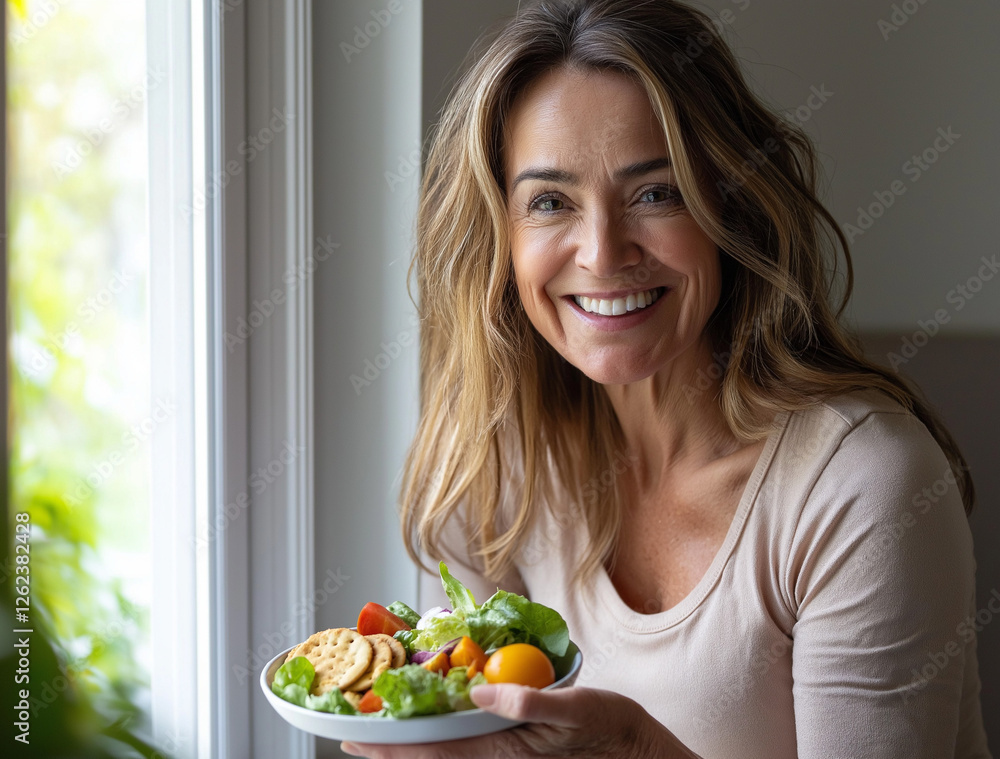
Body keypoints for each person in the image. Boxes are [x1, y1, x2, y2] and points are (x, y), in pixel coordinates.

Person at [341, 0, 990, 756]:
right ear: (502, 240)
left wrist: (637, 746)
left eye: (656, 192)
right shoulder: (492, 463)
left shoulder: (860, 484)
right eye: (550, 202)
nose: (603, 252)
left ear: (731, 207)